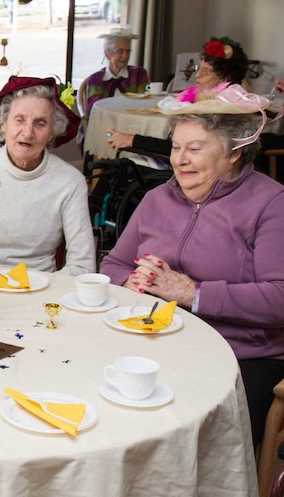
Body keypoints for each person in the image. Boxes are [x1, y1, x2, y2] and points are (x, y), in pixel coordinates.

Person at [100, 84, 284, 445]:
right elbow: (112, 265)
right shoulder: (157, 199)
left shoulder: (271, 203)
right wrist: (131, 281)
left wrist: (191, 293)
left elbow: (279, 298)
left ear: (235, 152)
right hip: (156, 341)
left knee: (171, 430)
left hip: (239, 356)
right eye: (175, 147)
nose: (179, 160)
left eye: (195, 148)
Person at [0, 76, 96, 276]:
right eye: (19, 120)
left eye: (40, 123)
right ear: (3, 124)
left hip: (36, 289)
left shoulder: (70, 182)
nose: (27, 132)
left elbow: (82, 265)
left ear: (53, 132)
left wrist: (41, 288)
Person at [107, 35, 249, 155]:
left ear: (225, 78)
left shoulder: (219, 108)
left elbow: (177, 149)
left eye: (207, 71)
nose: (198, 75)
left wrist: (131, 140)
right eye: (198, 68)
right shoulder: (213, 99)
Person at [81, 26, 149, 119]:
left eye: (128, 52)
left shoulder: (139, 74)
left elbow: (144, 102)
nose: (125, 56)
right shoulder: (96, 79)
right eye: (120, 51)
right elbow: (94, 108)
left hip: (133, 123)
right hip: (104, 123)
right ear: (107, 54)